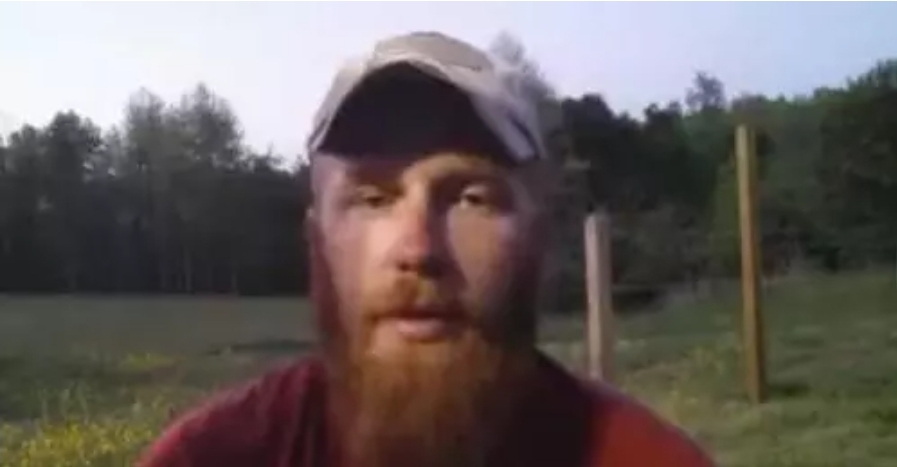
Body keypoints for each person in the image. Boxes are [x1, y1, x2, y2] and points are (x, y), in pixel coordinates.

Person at [136, 31, 716, 467]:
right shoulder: (212, 456)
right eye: (372, 199)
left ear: (537, 232)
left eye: (470, 198)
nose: (418, 249)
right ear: (317, 241)